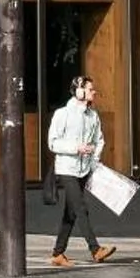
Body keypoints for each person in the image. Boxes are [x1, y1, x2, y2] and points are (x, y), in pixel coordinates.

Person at [46, 73, 115, 267]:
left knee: (71, 212)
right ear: (79, 91)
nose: (94, 92)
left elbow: (99, 140)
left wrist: (94, 159)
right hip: (67, 168)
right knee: (81, 207)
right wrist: (76, 147)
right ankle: (95, 249)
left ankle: (58, 253)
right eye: (90, 89)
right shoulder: (62, 114)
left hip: (84, 169)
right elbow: (53, 142)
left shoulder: (93, 116)